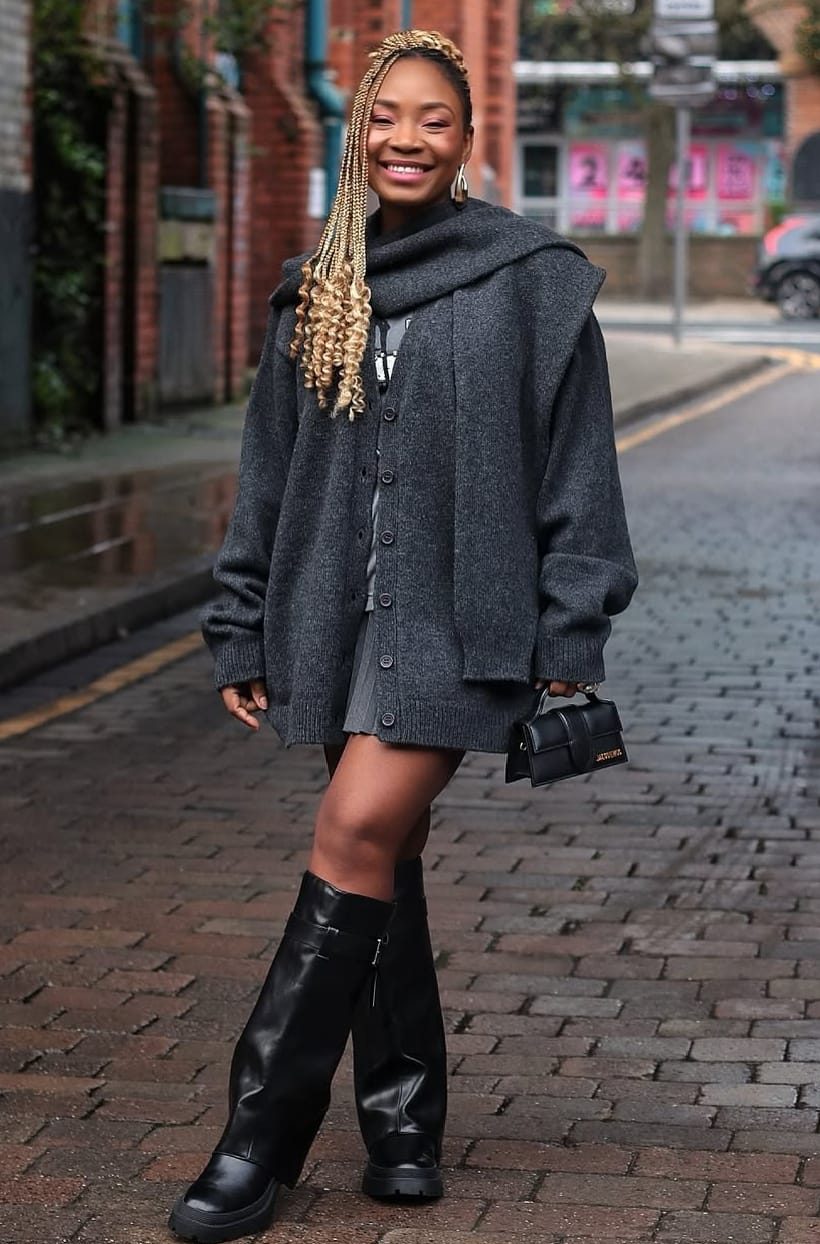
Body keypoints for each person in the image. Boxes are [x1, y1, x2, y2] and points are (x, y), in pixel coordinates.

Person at [168, 27, 638, 1244]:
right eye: (387, 117)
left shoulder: (534, 280)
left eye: (434, 119)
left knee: (354, 826)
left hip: (458, 619)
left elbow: (578, 470)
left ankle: (251, 1143)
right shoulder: (314, 285)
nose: (406, 139)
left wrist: (570, 630)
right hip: (330, 611)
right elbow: (267, 475)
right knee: (388, 853)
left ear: (470, 136)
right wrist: (241, 619)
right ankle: (405, 1121)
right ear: (357, 132)